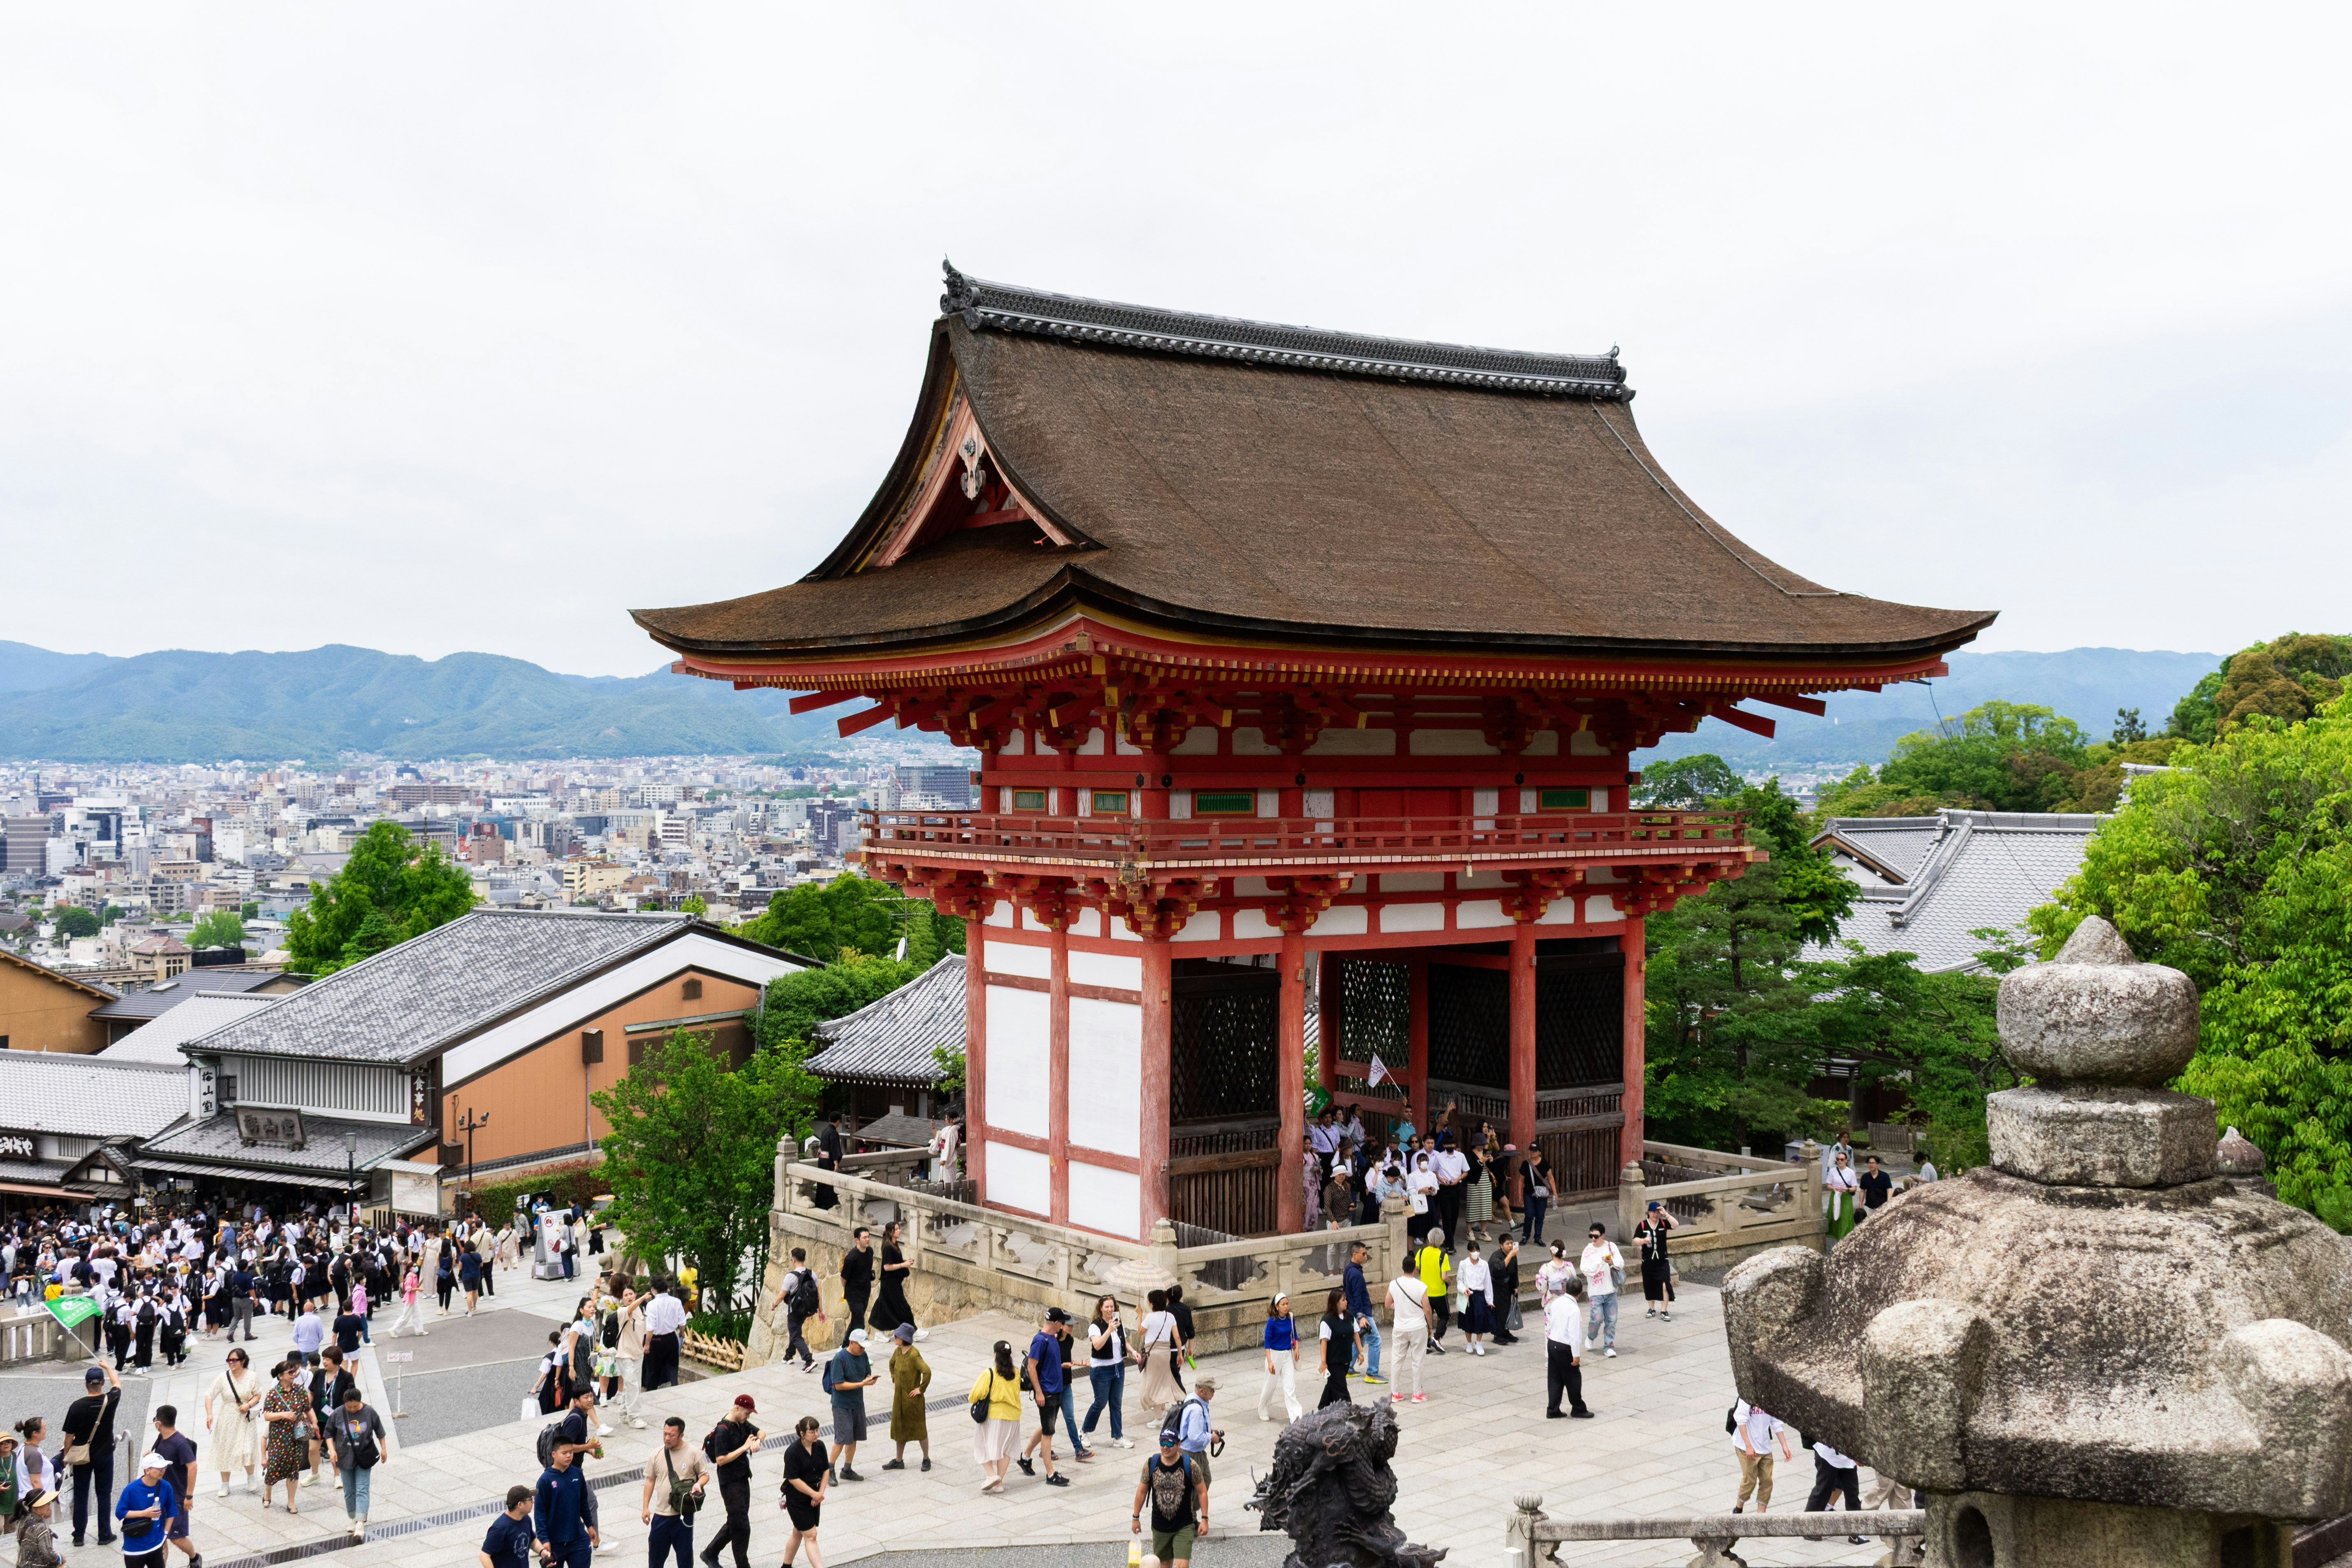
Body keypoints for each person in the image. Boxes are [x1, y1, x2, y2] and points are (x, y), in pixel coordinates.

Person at [1017, 1307, 1084, 1483]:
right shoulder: (1040, 1341)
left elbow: (1050, 1363)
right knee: (1048, 1433)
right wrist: (1039, 1392)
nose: (1063, 1326)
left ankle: (1025, 1457)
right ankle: (1050, 1474)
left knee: (1047, 1427)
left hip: (1056, 1391)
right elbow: (1032, 1367)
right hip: (1046, 1393)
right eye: (1062, 1323)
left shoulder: (1052, 1338)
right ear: (1056, 1324)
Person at [63, 1362, 122, 1548]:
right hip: (105, 1453)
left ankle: (79, 1535)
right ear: (102, 1383)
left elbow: (69, 1437)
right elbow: (117, 1383)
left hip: (82, 1455)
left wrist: (67, 1457)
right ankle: (104, 1533)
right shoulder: (111, 1400)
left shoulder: (77, 1406)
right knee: (104, 1494)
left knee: (81, 1494)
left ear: (86, 1384)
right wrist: (107, 1367)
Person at [1131, 1426, 1207, 1568]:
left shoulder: (1190, 1465)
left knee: (1182, 1566)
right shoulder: (1151, 1464)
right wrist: (1136, 1518)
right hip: (1160, 1527)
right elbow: (1141, 1492)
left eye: (1170, 1443)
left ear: (1179, 1445)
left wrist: (1204, 1519)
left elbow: (1202, 1491)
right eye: (1163, 1442)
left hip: (1184, 1525)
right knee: (1164, 1565)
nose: (1165, 1447)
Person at [639, 1417, 710, 1568]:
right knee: (655, 1560)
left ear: (681, 1436)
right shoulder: (657, 1454)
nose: (667, 1438)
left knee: (685, 1560)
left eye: (671, 1435)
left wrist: (698, 1484)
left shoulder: (693, 1453)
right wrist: (645, 1507)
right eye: (665, 1434)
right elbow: (650, 1480)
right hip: (661, 1516)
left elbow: (705, 1475)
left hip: (684, 1516)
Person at [698, 1394, 759, 1568]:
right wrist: (744, 1448)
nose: (748, 1417)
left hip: (742, 1478)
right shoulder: (723, 1431)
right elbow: (721, 1459)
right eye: (747, 1413)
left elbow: (761, 1432)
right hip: (730, 1482)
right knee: (742, 1526)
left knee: (736, 1521)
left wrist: (757, 1441)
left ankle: (710, 1553)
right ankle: (742, 1564)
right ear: (737, 1408)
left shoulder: (741, 1423)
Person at [325, 1384, 388, 1537]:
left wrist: (384, 1448)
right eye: (349, 1406)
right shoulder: (338, 1413)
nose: (352, 1409)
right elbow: (328, 1433)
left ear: (360, 1402)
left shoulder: (370, 1412)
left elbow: (380, 1431)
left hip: (364, 1456)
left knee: (362, 1488)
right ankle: (353, 1517)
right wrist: (332, 1451)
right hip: (344, 1456)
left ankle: (360, 1522)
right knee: (349, 1491)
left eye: (355, 1406)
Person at [258, 1360, 314, 1515]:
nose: (294, 1375)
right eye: (290, 1373)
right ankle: (268, 1492)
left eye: (294, 1372)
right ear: (280, 1376)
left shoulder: (300, 1390)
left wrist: (314, 1422)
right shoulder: (273, 1394)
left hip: (296, 1438)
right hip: (278, 1440)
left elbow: (308, 1408)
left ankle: (291, 1502)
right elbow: (268, 1416)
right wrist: (284, 1415)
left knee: (294, 1470)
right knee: (274, 1469)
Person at [534, 1439, 600, 1568]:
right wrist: (544, 1539)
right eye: (564, 1453)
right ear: (554, 1455)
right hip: (555, 1543)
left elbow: (584, 1503)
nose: (569, 1456)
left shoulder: (577, 1474)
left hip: (578, 1538)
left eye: (571, 1452)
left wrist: (590, 1525)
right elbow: (540, 1513)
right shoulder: (545, 1481)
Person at [822, 1331, 877, 1482]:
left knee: (854, 1438)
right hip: (842, 1406)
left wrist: (869, 1379)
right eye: (861, 1346)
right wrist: (861, 1384)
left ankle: (847, 1469)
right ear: (852, 1343)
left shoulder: (863, 1356)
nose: (863, 1350)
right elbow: (838, 1385)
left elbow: (867, 1373)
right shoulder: (840, 1359)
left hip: (858, 1404)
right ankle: (829, 1470)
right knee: (841, 1439)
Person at [147, 1405, 200, 1564]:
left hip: (176, 1498)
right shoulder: (162, 1438)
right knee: (160, 1538)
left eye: (155, 1420)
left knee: (176, 1537)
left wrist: (189, 1496)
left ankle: (195, 1558)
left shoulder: (180, 1443)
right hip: (160, 1495)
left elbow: (193, 1467)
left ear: (159, 1423)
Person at [969, 1341, 1022, 1495]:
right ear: (1010, 1355)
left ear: (995, 1355)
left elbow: (974, 1395)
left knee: (981, 1444)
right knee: (1005, 1450)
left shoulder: (989, 1374)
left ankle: (992, 1475)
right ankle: (999, 1484)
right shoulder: (1017, 1373)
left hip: (994, 1416)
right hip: (1013, 1417)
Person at [1082, 1294, 1133, 1449]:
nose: (1110, 1310)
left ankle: (1118, 1436)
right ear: (1101, 1309)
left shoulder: (1119, 1323)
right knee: (1101, 1402)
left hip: (1118, 1367)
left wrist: (1133, 1352)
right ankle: (1084, 1431)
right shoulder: (1095, 1326)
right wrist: (1109, 1330)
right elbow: (1097, 1345)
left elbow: (1124, 1342)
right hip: (1101, 1369)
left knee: (1116, 1403)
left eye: (1112, 1307)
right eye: (1107, 1307)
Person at [779, 1417, 829, 1568]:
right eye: (812, 1431)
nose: (816, 1434)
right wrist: (814, 1495)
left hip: (814, 1493)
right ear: (802, 1433)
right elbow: (793, 1479)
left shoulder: (819, 1446)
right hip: (797, 1498)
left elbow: (826, 1470)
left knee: (799, 1532)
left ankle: (786, 1567)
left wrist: (819, 1494)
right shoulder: (793, 1452)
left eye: (817, 1430)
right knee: (811, 1535)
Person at [1801, 1436, 1871, 1545]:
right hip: (1827, 1456)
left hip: (1847, 1460)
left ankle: (1855, 1532)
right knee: (1822, 1491)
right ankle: (1808, 1527)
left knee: (1853, 1494)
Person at [881, 1322, 931, 1470]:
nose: (895, 1338)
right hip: (899, 1399)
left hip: (912, 1400)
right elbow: (892, 1365)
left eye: (897, 1336)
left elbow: (927, 1372)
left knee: (920, 1429)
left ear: (903, 1339)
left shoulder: (914, 1355)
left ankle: (926, 1458)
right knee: (899, 1428)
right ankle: (899, 1460)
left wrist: (921, 1389)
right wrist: (895, 1379)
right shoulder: (898, 1352)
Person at [1542, 1270, 1592, 1419]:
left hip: (1553, 1343)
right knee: (1573, 1378)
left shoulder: (1557, 1302)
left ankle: (1553, 1409)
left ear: (1566, 1289)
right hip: (1565, 1346)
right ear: (1581, 1292)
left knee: (1555, 1378)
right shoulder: (1574, 1309)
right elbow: (1574, 1335)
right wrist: (1576, 1355)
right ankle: (1578, 1408)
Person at [114, 1451, 177, 1568]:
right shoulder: (132, 1489)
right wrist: (144, 1513)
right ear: (147, 1470)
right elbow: (120, 1512)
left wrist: (165, 1534)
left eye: (164, 1467)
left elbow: (172, 1511)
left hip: (156, 1544)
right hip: (134, 1547)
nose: (163, 1470)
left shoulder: (166, 1487)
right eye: (159, 1468)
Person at [1731, 1399, 1794, 1514]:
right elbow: (1740, 1420)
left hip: (1764, 1446)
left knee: (1767, 1481)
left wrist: (1784, 1446)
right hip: (1746, 1446)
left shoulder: (1771, 1397)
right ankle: (1738, 1508)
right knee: (1750, 1481)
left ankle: (1761, 1515)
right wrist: (1748, 1446)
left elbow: (1777, 1422)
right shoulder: (1748, 1396)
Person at [1173, 1379, 1219, 1522]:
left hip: (1196, 1452)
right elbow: (1194, 1436)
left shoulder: (1193, 1399)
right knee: (1194, 1488)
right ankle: (1189, 1519)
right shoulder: (1197, 1410)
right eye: (1211, 1390)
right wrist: (1211, 1437)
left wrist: (1207, 1429)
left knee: (1205, 1481)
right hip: (1191, 1453)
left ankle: (1189, 1514)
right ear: (1202, 1391)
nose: (1214, 1392)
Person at [1384, 1260, 1431, 1404]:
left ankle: (1395, 1392)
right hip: (1418, 1326)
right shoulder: (1421, 1286)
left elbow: (1387, 1304)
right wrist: (1431, 1328)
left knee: (1397, 1359)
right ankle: (1417, 1393)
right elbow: (1427, 1309)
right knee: (1417, 1360)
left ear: (1402, 1267)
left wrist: (1399, 1307)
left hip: (1400, 1326)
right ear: (1416, 1269)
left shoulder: (1394, 1284)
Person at [1340, 1240, 1384, 1386]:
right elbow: (1357, 1296)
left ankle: (1348, 1368)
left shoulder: (1348, 1270)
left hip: (1353, 1312)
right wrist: (1362, 1317)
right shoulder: (1356, 1274)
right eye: (1363, 1254)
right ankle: (1372, 1373)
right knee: (1376, 1341)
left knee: (1359, 1339)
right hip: (1362, 1313)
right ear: (1355, 1254)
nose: (1366, 1256)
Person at [772, 1249, 822, 1373]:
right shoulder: (812, 1274)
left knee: (795, 1335)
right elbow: (818, 1295)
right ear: (804, 1259)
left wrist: (774, 1305)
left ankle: (809, 1360)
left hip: (794, 1311)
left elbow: (781, 1296)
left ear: (793, 1260)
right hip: (807, 1311)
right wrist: (821, 1311)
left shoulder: (790, 1277)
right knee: (795, 1332)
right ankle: (789, 1355)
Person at [1580, 1224, 1624, 1358]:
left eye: (1596, 1236)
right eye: (1591, 1236)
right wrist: (1601, 1263)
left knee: (1612, 1320)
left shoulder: (1611, 1247)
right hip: (1595, 1292)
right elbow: (1585, 1269)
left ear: (1603, 1236)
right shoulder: (1588, 1251)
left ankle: (1609, 1346)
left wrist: (1611, 1262)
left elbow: (1621, 1264)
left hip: (1611, 1291)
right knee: (1597, 1318)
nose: (1593, 1239)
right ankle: (1591, 1336)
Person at [1256, 1294, 1301, 1423]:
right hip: (1275, 1355)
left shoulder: (1291, 1318)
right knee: (1270, 1386)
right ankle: (1263, 1410)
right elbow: (1267, 1341)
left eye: (1287, 1304)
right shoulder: (1272, 1321)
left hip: (1287, 1355)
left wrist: (1296, 1348)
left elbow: (1294, 1335)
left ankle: (1296, 1416)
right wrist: (1270, 1361)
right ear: (1277, 1307)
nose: (1286, 1307)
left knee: (1290, 1387)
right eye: (1283, 1305)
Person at [868, 1221, 916, 1340]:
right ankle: (914, 1330)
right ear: (891, 1232)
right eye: (897, 1229)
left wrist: (905, 1262)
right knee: (903, 1306)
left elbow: (894, 1262)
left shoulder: (894, 1244)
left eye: (899, 1228)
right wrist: (903, 1265)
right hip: (890, 1283)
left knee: (885, 1306)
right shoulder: (889, 1247)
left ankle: (880, 1333)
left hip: (893, 1282)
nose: (899, 1230)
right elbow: (887, 1267)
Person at [1138, 1290, 1183, 1408]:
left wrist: (1140, 1315)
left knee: (1153, 1386)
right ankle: (1162, 1409)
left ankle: (1159, 1418)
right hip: (1166, 1353)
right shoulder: (1170, 1316)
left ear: (1152, 1304)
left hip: (1153, 1354)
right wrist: (1180, 1354)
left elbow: (1140, 1332)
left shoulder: (1150, 1317)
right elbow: (1177, 1337)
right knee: (1161, 1383)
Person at [1633, 1201, 1677, 1321]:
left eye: (1658, 1212)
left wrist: (1666, 1214)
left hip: (1662, 1260)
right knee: (1649, 1284)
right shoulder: (1643, 1225)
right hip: (1648, 1260)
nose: (1655, 1215)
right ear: (1649, 1212)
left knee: (1665, 1284)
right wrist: (1643, 1241)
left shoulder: (1663, 1223)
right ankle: (1651, 1308)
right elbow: (1635, 1240)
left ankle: (1664, 1310)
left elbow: (1676, 1225)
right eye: (1653, 1212)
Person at [642, 1279, 687, 1391]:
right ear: (666, 1289)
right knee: (673, 1367)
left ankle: (652, 1391)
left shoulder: (652, 1305)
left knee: (653, 1370)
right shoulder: (676, 1301)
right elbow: (682, 1322)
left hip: (656, 1341)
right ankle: (674, 1389)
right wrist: (682, 1332)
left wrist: (647, 1344)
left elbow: (651, 1328)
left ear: (653, 1290)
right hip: (672, 1339)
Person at [1413, 1228, 1453, 1354]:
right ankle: (1436, 1338)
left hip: (1425, 1292)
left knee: (1426, 1318)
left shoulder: (1421, 1251)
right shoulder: (1443, 1256)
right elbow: (1444, 1277)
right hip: (1439, 1292)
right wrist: (1450, 1282)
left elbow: (1417, 1270)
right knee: (1445, 1316)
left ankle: (1427, 1345)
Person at [1313, 1291, 1354, 1410]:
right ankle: (1349, 1412)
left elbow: (1355, 1333)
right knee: (1341, 1390)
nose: (1346, 1302)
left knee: (1332, 1385)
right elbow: (1324, 1342)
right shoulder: (1327, 1321)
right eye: (1343, 1300)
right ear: (1336, 1303)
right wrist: (1323, 1362)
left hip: (1346, 1359)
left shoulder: (1349, 1316)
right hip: (1334, 1362)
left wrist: (1361, 1352)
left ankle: (1322, 1409)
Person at [478, 1486, 535, 1568]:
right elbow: (484, 1556)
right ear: (520, 1505)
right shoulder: (500, 1528)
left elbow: (532, 1539)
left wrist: (542, 1552)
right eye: (530, 1499)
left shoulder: (525, 1519)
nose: (533, 1502)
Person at [837, 1229, 874, 1345]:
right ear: (857, 1240)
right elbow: (843, 1278)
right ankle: (859, 1352)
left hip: (865, 1293)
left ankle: (845, 1346)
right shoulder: (851, 1258)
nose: (868, 1239)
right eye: (865, 1238)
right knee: (860, 1325)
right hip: (853, 1295)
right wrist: (848, 1290)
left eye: (868, 1237)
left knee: (855, 1321)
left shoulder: (870, 1252)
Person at [1456, 1242, 1494, 1355]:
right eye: (1473, 1251)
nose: (1475, 1253)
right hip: (1468, 1295)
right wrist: (1464, 1290)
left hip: (1480, 1295)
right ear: (1469, 1252)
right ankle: (1469, 1343)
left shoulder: (1484, 1264)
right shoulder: (1463, 1264)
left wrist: (1490, 1300)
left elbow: (1488, 1283)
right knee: (1468, 1320)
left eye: (1477, 1251)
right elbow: (1459, 1281)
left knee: (1481, 1319)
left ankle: (1479, 1343)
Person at [1489, 1235, 1523, 1347]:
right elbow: (1498, 1269)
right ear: (1501, 1246)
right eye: (1507, 1244)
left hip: (1507, 1286)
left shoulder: (1513, 1256)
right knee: (1499, 1311)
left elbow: (1515, 1272)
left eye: (1511, 1243)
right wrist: (1511, 1255)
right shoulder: (1496, 1257)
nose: (1510, 1246)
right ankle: (1498, 1334)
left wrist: (1515, 1287)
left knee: (1507, 1310)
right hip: (1496, 1287)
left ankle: (1505, 1331)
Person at [14, 1487, 60, 1568]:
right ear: (36, 1507)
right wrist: (60, 1558)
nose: (50, 1508)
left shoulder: (21, 1522)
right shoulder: (41, 1528)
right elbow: (48, 1555)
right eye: (48, 1504)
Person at [1825, 1152, 1861, 1242]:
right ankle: (1838, 1240)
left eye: (1842, 1160)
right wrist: (1834, 1188)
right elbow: (1828, 1185)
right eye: (1838, 1159)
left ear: (1846, 1161)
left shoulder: (1851, 1172)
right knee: (1835, 1217)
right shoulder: (1833, 1171)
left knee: (1845, 1218)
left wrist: (1846, 1189)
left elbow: (1854, 1188)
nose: (1840, 1161)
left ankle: (1845, 1240)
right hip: (1836, 1195)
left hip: (1846, 1196)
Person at [1858, 1156, 1894, 1223]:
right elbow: (1863, 1191)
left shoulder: (1885, 1176)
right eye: (1870, 1163)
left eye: (1873, 1163)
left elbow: (1889, 1189)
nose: (1871, 1165)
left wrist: (1889, 1202)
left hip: (1882, 1206)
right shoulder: (1865, 1177)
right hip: (1869, 1206)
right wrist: (1860, 1205)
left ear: (1878, 1165)